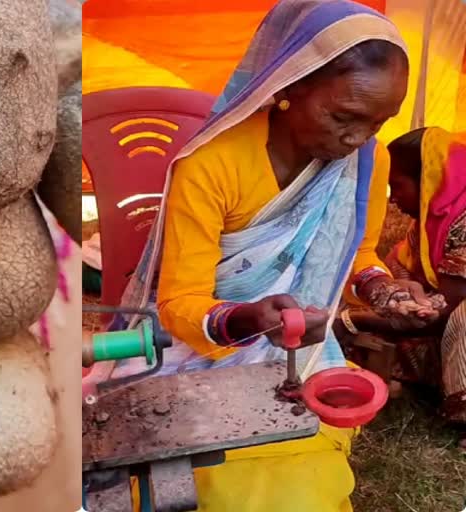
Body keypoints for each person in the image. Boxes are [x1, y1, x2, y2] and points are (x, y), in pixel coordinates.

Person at [107, 0, 432, 510]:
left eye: (379, 122)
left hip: (301, 352)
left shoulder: (366, 162)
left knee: (306, 477)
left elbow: (358, 252)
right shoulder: (212, 166)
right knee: (226, 476)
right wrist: (247, 320)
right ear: (287, 87)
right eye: (344, 116)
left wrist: (381, 287)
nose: (357, 139)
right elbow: (181, 302)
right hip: (201, 346)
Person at [337, 127, 466, 436]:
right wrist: (408, 287)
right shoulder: (433, 221)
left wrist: (347, 321)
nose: (392, 199)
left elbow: (437, 314)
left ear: (429, 179)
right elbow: (400, 264)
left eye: (397, 186)